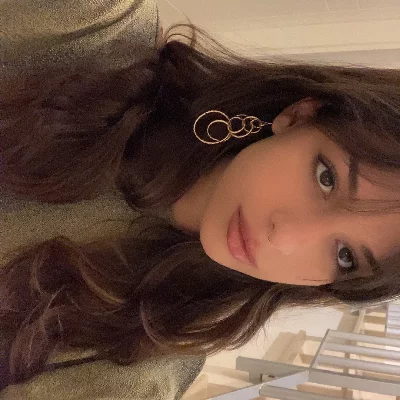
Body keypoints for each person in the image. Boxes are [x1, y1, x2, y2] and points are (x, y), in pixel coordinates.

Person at [0, 0, 399, 398]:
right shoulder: (95, 26)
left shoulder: (132, 370)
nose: (283, 237)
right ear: (299, 115)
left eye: (345, 257)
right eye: (326, 177)